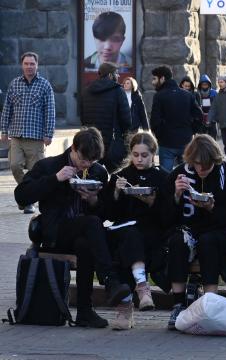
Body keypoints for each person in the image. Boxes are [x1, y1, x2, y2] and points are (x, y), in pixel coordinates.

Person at [14, 128, 131, 328]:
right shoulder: (50, 166)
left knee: (86, 242)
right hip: (56, 232)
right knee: (91, 224)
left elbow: (106, 214)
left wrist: (93, 201)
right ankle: (110, 281)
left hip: (85, 234)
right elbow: (22, 195)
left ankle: (85, 311)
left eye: (91, 161)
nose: (86, 165)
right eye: (83, 159)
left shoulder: (98, 172)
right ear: (74, 149)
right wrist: (55, 179)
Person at [163, 134, 226, 330]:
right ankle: (178, 304)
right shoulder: (179, 175)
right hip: (188, 230)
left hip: (218, 232)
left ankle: (210, 304)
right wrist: (176, 195)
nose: (201, 169)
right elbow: (165, 218)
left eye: (206, 166)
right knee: (177, 241)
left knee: (210, 242)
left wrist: (211, 208)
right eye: (196, 164)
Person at [105, 132, 168, 330]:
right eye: (135, 154)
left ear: (153, 155)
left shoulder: (163, 177)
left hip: (151, 232)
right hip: (125, 229)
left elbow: (167, 216)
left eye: (144, 155)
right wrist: (115, 192)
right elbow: (110, 214)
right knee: (128, 238)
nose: (139, 159)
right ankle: (142, 289)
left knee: (131, 242)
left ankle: (125, 310)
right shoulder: (121, 176)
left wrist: (151, 201)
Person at [1, 52, 55, 214]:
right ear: (22, 65)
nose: (29, 66)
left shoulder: (45, 85)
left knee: (35, 172)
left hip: (36, 137)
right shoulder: (14, 84)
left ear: (37, 65)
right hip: (16, 135)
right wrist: (4, 130)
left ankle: (27, 200)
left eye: (32, 64)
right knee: (14, 165)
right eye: (26, 63)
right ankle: (26, 194)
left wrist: (49, 134)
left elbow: (50, 111)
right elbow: (7, 109)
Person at [149, 65, 203, 173]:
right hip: (185, 140)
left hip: (166, 143)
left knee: (165, 176)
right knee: (188, 175)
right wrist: (191, 130)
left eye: (154, 78)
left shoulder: (159, 96)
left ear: (162, 78)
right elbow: (199, 115)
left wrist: (160, 134)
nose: (152, 82)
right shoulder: (187, 95)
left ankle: (169, 190)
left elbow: (154, 120)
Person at [81, 62, 131, 173]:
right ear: (109, 75)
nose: (118, 76)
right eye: (116, 73)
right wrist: (123, 136)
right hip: (112, 142)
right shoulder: (118, 91)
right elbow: (126, 120)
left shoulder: (87, 91)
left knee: (92, 176)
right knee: (115, 177)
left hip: (91, 141)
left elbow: (82, 117)